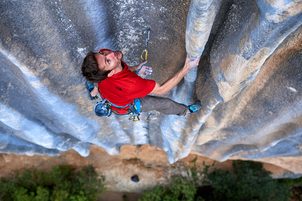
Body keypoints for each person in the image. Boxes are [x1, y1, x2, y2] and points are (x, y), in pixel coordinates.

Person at [81, 48, 201, 117]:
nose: (111, 53)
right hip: (125, 105)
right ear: (110, 73)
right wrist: (187, 67)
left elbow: (122, 70)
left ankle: (93, 92)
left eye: (103, 53)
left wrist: (137, 68)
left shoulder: (101, 72)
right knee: (165, 104)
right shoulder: (132, 85)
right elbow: (162, 89)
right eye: (107, 61)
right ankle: (185, 111)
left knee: (98, 85)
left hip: (108, 92)